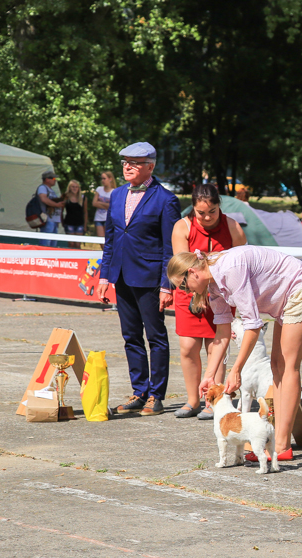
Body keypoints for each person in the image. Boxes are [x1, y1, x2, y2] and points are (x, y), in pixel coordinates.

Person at [168, 246, 302, 461]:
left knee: (288, 365)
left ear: (192, 272)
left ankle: (281, 447)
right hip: (287, 297)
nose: (187, 293)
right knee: (276, 365)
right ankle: (276, 442)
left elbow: (252, 325)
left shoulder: (230, 269)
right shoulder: (213, 285)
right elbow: (223, 332)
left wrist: (236, 370)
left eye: (184, 287)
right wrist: (209, 375)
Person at [96, 142, 180, 416]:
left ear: (150, 166)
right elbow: (110, 240)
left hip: (151, 279)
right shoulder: (117, 195)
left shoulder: (165, 199)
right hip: (121, 276)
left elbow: (171, 248)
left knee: (156, 337)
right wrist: (105, 275)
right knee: (130, 336)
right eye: (124, 162)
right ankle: (139, 391)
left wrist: (168, 285)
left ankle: (156, 395)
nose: (127, 167)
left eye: (134, 162)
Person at [171, 184, 247, 419]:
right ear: (193, 208)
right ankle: (193, 399)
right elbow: (181, 268)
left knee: (216, 346)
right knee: (188, 347)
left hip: (221, 295)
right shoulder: (182, 227)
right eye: (200, 212)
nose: (205, 217)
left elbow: (243, 263)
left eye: (212, 212)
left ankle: (213, 399)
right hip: (189, 292)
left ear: (219, 207)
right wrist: (196, 295)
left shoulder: (232, 226)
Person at [36, 171, 66, 248]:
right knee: (45, 243)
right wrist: (56, 205)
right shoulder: (43, 188)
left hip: (54, 220)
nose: (55, 180)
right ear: (47, 179)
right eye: (53, 178)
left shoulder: (51, 190)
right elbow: (43, 199)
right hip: (47, 220)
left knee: (53, 244)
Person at [61, 180, 88, 249]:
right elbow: (61, 211)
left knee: (78, 244)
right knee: (71, 243)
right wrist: (62, 222)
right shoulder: (65, 197)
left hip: (80, 223)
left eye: (76, 187)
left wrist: (85, 225)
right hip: (69, 222)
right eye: (73, 187)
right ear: (69, 187)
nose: (75, 188)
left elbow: (85, 212)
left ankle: (78, 258)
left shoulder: (83, 198)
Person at [91, 171, 117, 239]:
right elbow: (94, 203)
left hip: (108, 219)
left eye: (104, 178)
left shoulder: (114, 191)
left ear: (110, 179)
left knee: (108, 239)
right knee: (100, 240)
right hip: (98, 218)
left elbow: (113, 206)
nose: (102, 180)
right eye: (101, 178)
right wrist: (106, 205)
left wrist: (99, 203)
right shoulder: (99, 189)